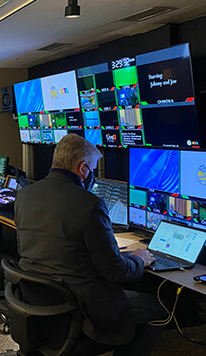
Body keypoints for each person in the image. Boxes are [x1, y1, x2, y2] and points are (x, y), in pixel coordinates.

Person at [14, 134, 163, 355]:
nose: (92, 174)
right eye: (92, 168)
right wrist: (139, 259)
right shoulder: (89, 204)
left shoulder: (24, 195)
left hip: (39, 302)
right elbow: (115, 271)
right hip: (82, 307)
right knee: (159, 308)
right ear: (82, 168)